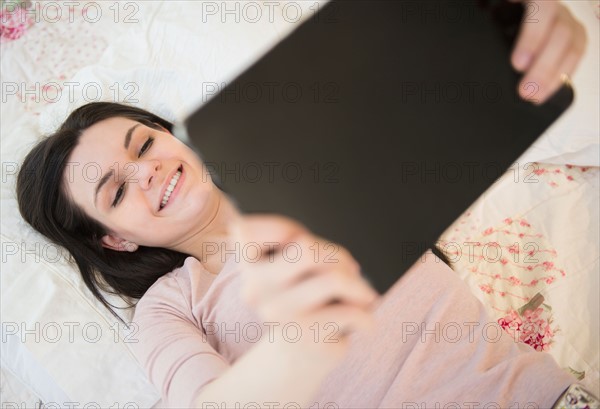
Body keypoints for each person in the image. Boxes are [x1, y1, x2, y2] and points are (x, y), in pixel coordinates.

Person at [16, 1, 595, 408]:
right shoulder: (170, 309)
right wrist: (307, 338)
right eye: (115, 190)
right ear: (114, 239)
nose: (148, 171)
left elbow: (438, 84)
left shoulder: (314, 165)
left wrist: (519, 27)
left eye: (143, 143)